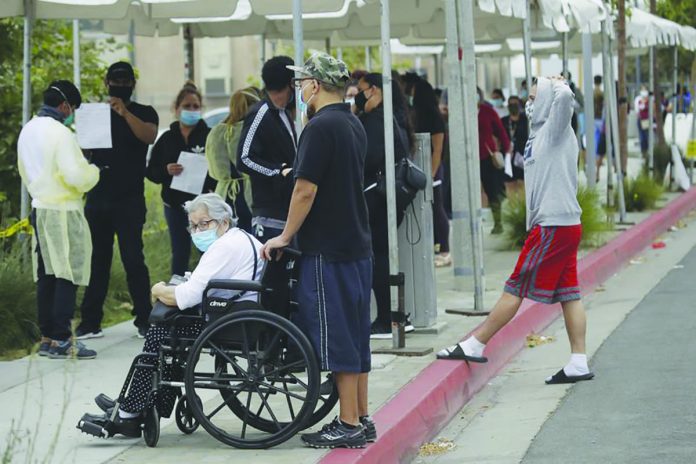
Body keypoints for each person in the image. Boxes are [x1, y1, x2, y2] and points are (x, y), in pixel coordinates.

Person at [437, 76, 594, 386]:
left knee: (516, 286)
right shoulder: (539, 134)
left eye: (534, 97)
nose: (528, 103)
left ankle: (475, 342)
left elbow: (564, 102)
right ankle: (578, 360)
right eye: (528, 97)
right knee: (569, 293)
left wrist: (558, 84)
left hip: (553, 225)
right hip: (559, 225)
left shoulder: (557, 129)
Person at [79, 193, 263, 437]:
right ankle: (142, 403)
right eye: (194, 226)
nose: (198, 231)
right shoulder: (242, 239)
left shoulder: (223, 248)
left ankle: (129, 414)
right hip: (238, 314)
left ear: (224, 221)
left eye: (204, 223)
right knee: (169, 328)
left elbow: (185, 296)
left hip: (228, 321)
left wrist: (159, 290)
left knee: (160, 331)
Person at [262, 52, 374, 449]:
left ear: (315, 85)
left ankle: (347, 424)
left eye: (303, 81)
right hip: (357, 244)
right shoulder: (351, 123)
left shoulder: (320, 127)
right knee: (357, 334)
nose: (300, 88)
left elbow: (305, 188)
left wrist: (284, 236)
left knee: (338, 335)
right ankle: (361, 414)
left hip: (328, 248)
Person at [17, 80, 100, 359]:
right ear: (65, 106)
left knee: (47, 274)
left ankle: (47, 338)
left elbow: (25, 171)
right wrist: (94, 171)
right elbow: (76, 176)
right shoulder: (60, 133)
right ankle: (63, 339)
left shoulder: (28, 129)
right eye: (72, 108)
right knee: (67, 273)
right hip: (63, 211)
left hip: (40, 208)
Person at [77, 62, 159, 340]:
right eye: (116, 80)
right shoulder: (95, 113)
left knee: (133, 259)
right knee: (98, 260)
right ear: (106, 81)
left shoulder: (144, 112)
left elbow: (148, 135)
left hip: (129, 199)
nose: (120, 85)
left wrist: (124, 113)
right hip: (98, 197)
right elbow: (83, 151)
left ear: (133, 84)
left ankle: (144, 318)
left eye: (125, 81)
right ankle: (90, 321)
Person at [354, 73, 412, 339]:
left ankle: (388, 316)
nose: (358, 94)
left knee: (378, 258)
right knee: (384, 256)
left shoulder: (375, 122)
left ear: (374, 91)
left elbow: (365, 158)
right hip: (389, 198)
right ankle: (395, 314)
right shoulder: (394, 117)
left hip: (376, 199)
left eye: (362, 90)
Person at [146, 82, 216, 277]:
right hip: (175, 206)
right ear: (176, 110)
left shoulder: (209, 136)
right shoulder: (167, 138)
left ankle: (208, 293)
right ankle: (177, 294)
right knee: (180, 252)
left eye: (195, 106)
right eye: (187, 106)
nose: (192, 110)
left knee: (208, 252)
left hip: (204, 207)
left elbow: (220, 170)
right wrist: (166, 170)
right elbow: (151, 172)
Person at [237, 56, 297, 243]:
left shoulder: (284, 112)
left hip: (288, 208)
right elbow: (244, 158)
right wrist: (278, 171)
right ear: (290, 83)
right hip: (270, 213)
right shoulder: (260, 113)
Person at [205, 87, 261, 234]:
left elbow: (213, 169)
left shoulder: (216, 131)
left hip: (223, 194)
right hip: (251, 193)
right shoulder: (252, 130)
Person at [413, 79, 450, 265]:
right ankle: (437, 245)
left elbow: (438, 148)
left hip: (432, 169)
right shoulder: (418, 115)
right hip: (423, 169)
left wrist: (432, 173)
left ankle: (444, 248)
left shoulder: (434, 117)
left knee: (437, 208)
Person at [477, 87, 511, 235]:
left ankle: (498, 222)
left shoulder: (487, 111)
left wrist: (506, 148)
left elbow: (501, 131)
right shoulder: (462, 111)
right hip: (467, 158)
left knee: (491, 190)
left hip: (487, 156)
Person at [501, 95, 528, 191]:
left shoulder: (526, 120)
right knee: (510, 185)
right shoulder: (503, 121)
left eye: (515, 104)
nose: (513, 106)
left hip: (522, 157)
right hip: (509, 158)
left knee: (522, 186)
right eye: (510, 104)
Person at [593, 75, 606, 183]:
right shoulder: (602, 93)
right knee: (599, 142)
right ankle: (598, 160)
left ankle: (594, 160)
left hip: (592, 118)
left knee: (594, 141)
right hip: (600, 119)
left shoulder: (591, 92)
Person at [634, 85, 651, 162]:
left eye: (645, 89)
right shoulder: (638, 99)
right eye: (642, 89)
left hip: (647, 120)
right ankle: (643, 152)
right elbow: (637, 110)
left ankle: (647, 151)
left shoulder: (649, 99)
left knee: (647, 137)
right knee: (642, 137)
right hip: (641, 120)